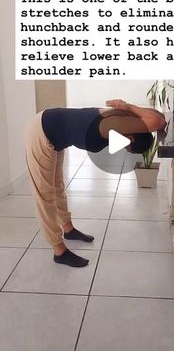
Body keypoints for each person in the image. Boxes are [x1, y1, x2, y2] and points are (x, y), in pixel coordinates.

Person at [25, 99, 166, 268]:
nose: (123, 148)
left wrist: (129, 107)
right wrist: (127, 106)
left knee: (58, 186)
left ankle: (68, 229)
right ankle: (59, 250)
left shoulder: (126, 118)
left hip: (54, 133)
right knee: (45, 194)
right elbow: (158, 121)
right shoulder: (115, 125)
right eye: (127, 147)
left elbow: (159, 116)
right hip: (41, 132)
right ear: (130, 137)